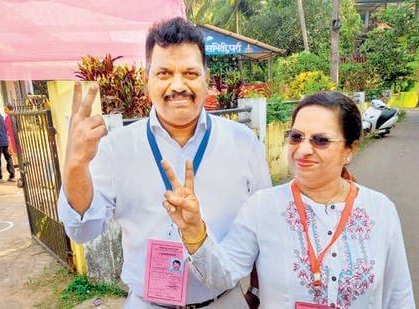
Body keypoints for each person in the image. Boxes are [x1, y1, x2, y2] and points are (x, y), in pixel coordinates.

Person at [57, 17, 271, 309]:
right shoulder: (115, 148)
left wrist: (258, 292)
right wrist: (75, 167)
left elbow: (265, 226)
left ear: (206, 77)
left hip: (225, 300)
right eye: (165, 73)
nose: (178, 85)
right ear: (147, 80)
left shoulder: (243, 142)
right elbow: (83, 231)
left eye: (190, 72)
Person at [162, 92, 416, 308]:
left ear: (350, 149)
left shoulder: (379, 210)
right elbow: (221, 275)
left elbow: (399, 297)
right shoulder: (262, 207)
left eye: (320, 140)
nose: (303, 150)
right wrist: (193, 230)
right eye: (296, 137)